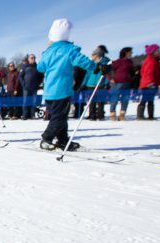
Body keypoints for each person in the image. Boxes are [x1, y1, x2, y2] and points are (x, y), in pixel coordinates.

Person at [37, 19, 100, 151]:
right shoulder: (69, 50)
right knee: (59, 117)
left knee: (61, 116)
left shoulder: (48, 52)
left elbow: (40, 67)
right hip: (62, 90)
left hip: (49, 92)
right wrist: (96, 66)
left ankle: (63, 140)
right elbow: (83, 61)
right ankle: (46, 138)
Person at [81, 46, 111, 120]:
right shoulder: (92, 63)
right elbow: (87, 75)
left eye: (93, 55)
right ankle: (92, 115)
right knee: (91, 101)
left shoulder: (105, 62)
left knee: (100, 101)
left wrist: (107, 83)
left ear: (97, 55)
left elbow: (107, 74)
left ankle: (100, 115)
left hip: (100, 84)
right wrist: (83, 84)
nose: (91, 56)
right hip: (90, 85)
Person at [137, 44, 160, 120]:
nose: (159, 52)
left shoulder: (155, 61)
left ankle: (150, 116)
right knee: (145, 100)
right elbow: (148, 73)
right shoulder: (150, 61)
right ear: (152, 52)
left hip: (150, 83)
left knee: (150, 100)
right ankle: (140, 115)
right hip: (148, 84)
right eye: (157, 51)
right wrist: (150, 83)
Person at [109, 47, 135, 121]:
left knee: (125, 99)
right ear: (126, 53)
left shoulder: (130, 62)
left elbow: (132, 72)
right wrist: (111, 78)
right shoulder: (117, 62)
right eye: (130, 52)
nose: (132, 53)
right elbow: (108, 70)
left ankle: (122, 115)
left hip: (127, 83)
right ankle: (112, 114)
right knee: (115, 99)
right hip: (117, 83)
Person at [19, 54, 41, 120]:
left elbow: (41, 77)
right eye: (31, 58)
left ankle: (32, 115)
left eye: (34, 57)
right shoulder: (25, 66)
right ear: (28, 59)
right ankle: (25, 115)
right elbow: (20, 76)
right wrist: (23, 84)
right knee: (25, 102)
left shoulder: (37, 67)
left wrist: (38, 84)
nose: (32, 59)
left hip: (34, 88)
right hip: (26, 88)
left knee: (33, 102)